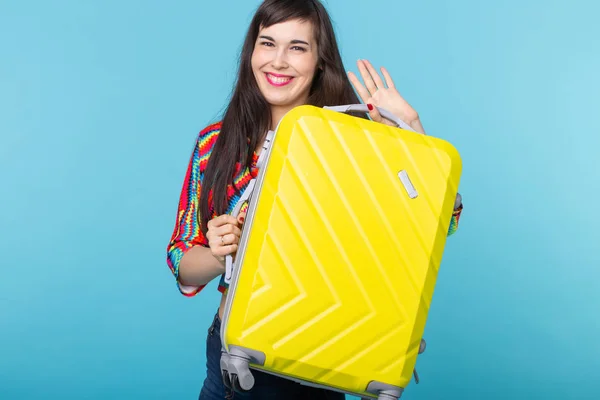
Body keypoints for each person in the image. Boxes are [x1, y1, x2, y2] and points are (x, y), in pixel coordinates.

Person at [166, 0, 463, 398]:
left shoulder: (359, 143)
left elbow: (439, 222)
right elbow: (182, 262)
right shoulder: (214, 144)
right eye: (267, 43)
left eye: (298, 47)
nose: (279, 61)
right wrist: (221, 253)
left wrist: (411, 135)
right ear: (251, 52)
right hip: (234, 366)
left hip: (326, 358)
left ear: (320, 60)